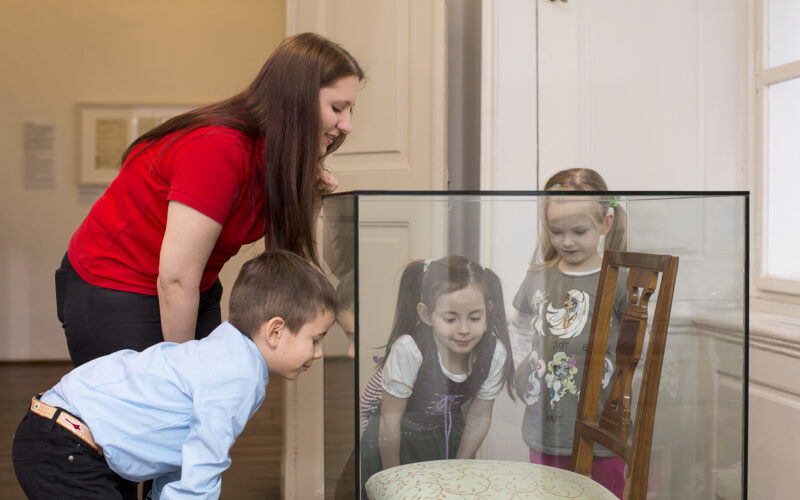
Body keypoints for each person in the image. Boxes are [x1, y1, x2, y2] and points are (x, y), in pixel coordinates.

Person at [56, 32, 363, 367]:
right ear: (295, 99)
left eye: (350, 110)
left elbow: (288, 259)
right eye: (337, 108)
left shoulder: (276, 158)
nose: (347, 125)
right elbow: (175, 279)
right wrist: (186, 374)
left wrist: (311, 199)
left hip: (192, 287)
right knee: (165, 393)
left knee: (201, 389)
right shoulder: (218, 148)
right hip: (115, 287)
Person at [12, 250, 336, 500]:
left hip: (61, 434)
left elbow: (184, 453)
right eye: (315, 339)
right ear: (275, 331)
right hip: (66, 448)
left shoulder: (222, 354)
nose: (318, 352)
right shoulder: (237, 376)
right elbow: (204, 463)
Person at [509, 168, 628, 498]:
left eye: (578, 231)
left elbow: (639, 345)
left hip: (602, 431)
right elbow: (519, 324)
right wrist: (521, 367)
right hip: (546, 430)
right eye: (556, 231)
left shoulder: (618, 280)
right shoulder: (538, 276)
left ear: (605, 222)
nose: (566, 241)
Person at [360, 256, 516, 492]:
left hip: (443, 436)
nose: (464, 329)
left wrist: (459, 467)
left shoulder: (494, 354)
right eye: (450, 318)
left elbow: (479, 416)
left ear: (488, 311)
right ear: (426, 315)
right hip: (392, 441)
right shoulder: (409, 350)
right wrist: (393, 482)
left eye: (475, 317)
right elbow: (389, 422)